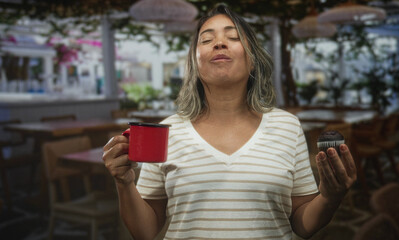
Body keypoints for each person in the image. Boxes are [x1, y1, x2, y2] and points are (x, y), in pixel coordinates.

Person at [103, 4, 357, 240]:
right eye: (206, 39)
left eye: (233, 37)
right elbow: (145, 232)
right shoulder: (166, 131)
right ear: (194, 61)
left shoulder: (287, 126)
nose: (219, 44)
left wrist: (329, 198)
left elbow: (302, 224)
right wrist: (124, 183)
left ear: (252, 58)